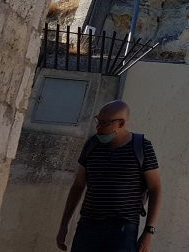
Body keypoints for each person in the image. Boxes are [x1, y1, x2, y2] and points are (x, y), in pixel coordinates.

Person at [56, 100, 162, 252]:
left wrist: (149, 231)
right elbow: (78, 186)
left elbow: (155, 188)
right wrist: (64, 225)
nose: (99, 128)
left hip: (122, 230)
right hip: (88, 226)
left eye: (105, 123)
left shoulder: (142, 147)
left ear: (121, 123)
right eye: (98, 122)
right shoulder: (92, 145)